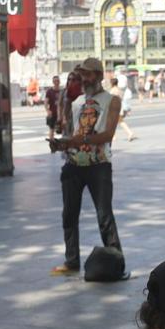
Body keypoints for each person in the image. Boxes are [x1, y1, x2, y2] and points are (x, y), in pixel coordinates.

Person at [50, 57, 125, 276]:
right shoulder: (76, 102)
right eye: (82, 74)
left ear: (99, 76)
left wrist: (76, 141)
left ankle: (116, 261)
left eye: (88, 74)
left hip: (98, 165)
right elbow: (72, 132)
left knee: (104, 214)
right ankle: (71, 260)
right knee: (69, 214)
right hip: (73, 163)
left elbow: (108, 135)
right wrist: (61, 144)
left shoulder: (111, 100)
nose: (84, 78)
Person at [112, 70, 138, 142]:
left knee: (112, 122)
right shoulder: (122, 89)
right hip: (120, 107)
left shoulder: (116, 89)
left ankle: (113, 137)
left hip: (116, 108)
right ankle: (129, 133)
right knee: (120, 121)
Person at [43, 75, 62, 141]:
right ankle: (52, 141)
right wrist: (48, 111)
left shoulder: (62, 91)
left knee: (63, 128)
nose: (56, 82)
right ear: (53, 82)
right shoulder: (49, 91)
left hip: (61, 113)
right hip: (53, 112)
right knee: (52, 128)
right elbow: (45, 102)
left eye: (58, 81)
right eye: (55, 81)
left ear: (59, 82)